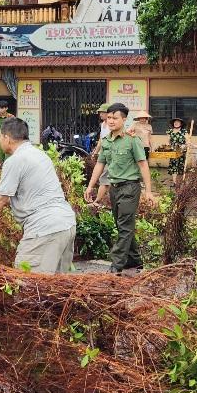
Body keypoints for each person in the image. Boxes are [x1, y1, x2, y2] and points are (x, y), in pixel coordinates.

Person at [0, 118, 77, 273]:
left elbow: (0, 200)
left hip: (44, 229)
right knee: (55, 289)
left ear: (6, 138)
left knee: (27, 285)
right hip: (67, 224)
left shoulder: (15, 161)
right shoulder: (40, 154)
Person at [84, 103, 156, 274]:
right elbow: (100, 164)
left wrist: (148, 191)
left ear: (124, 119)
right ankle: (135, 261)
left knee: (124, 226)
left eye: (115, 118)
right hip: (114, 189)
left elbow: (143, 165)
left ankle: (115, 266)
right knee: (122, 225)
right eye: (109, 117)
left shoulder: (132, 140)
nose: (111, 121)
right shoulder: (107, 141)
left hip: (130, 188)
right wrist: (90, 186)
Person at [167, 117, 187, 184]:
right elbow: (168, 141)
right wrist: (168, 147)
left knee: (181, 166)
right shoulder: (170, 131)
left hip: (181, 151)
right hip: (173, 152)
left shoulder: (184, 131)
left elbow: (187, 141)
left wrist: (185, 145)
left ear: (181, 124)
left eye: (178, 122)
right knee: (174, 167)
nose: (176, 123)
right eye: (175, 122)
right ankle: (175, 183)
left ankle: (180, 182)